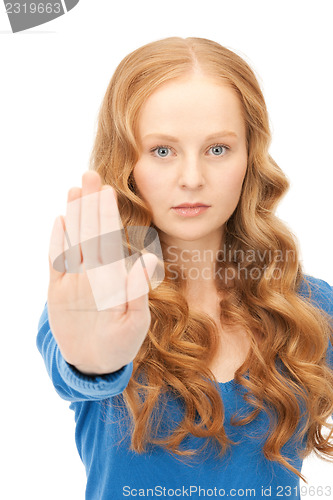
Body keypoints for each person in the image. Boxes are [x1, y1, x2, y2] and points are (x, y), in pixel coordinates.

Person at [37, 36, 333, 499]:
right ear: (127, 161)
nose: (192, 178)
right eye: (162, 150)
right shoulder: (92, 300)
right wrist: (94, 364)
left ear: (249, 157)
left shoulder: (311, 307)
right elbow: (74, 363)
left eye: (217, 149)